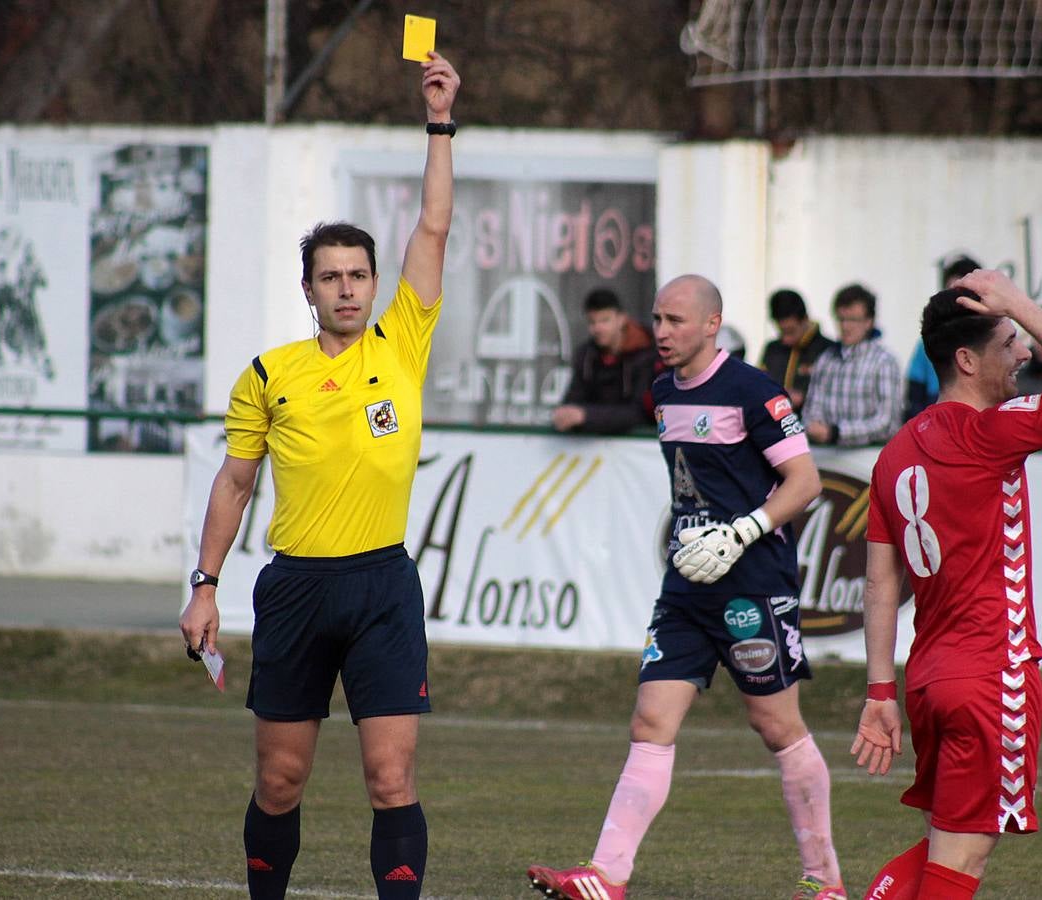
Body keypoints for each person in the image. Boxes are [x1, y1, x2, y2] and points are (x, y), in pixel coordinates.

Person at [178, 54, 460, 900]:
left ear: (377, 284)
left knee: (390, 779)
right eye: (331, 277)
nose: (347, 288)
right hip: (295, 588)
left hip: (382, 586)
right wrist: (203, 585)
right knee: (281, 782)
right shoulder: (269, 374)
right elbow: (233, 485)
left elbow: (433, 228)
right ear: (309, 290)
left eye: (358, 275)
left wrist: (439, 121)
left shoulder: (402, 343)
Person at [528, 275, 848, 900]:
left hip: (751, 584)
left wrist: (741, 532)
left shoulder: (756, 392)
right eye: (658, 319)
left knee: (777, 726)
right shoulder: (662, 389)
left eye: (675, 320)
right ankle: (607, 876)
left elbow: (805, 482)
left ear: (711, 324)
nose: (663, 333)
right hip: (686, 586)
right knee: (650, 720)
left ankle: (825, 883)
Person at [851, 269, 1042, 899]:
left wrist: (880, 691)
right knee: (962, 858)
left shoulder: (894, 453)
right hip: (989, 673)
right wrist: (1020, 303)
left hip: (928, 677)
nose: (1025, 351)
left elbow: (879, 584)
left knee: (948, 842)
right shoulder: (992, 433)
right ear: (967, 360)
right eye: (1009, 342)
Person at [803, 283, 901, 447]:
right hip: (829, 457)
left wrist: (837, 432)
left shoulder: (884, 362)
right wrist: (814, 428)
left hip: (869, 461)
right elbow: (811, 411)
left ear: (869, 322)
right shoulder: (826, 360)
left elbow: (887, 423)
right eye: (841, 319)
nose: (845, 326)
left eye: (853, 320)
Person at [551, 288, 657, 434]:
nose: (598, 328)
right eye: (592, 322)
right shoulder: (587, 355)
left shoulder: (646, 355)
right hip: (594, 450)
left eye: (604, 320)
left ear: (622, 319)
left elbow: (639, 412)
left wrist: (586, 416)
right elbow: (573, 400)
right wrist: (565, 414)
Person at [904, 256, 980, 421]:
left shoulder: (994, 336)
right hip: (935, 422)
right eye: (950, 292)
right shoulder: (928, 340)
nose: (957, 300)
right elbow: (914, 396)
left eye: (963, 293)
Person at [760, 288, 837, 415]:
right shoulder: (772, 349)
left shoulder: (827, 350)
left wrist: (804, 397)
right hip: (774, 428)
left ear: (805, 319)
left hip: (811, 427)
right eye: (781, 332)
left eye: (791, 331)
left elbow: (838, 396)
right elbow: (759, 387)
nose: (786, 339)